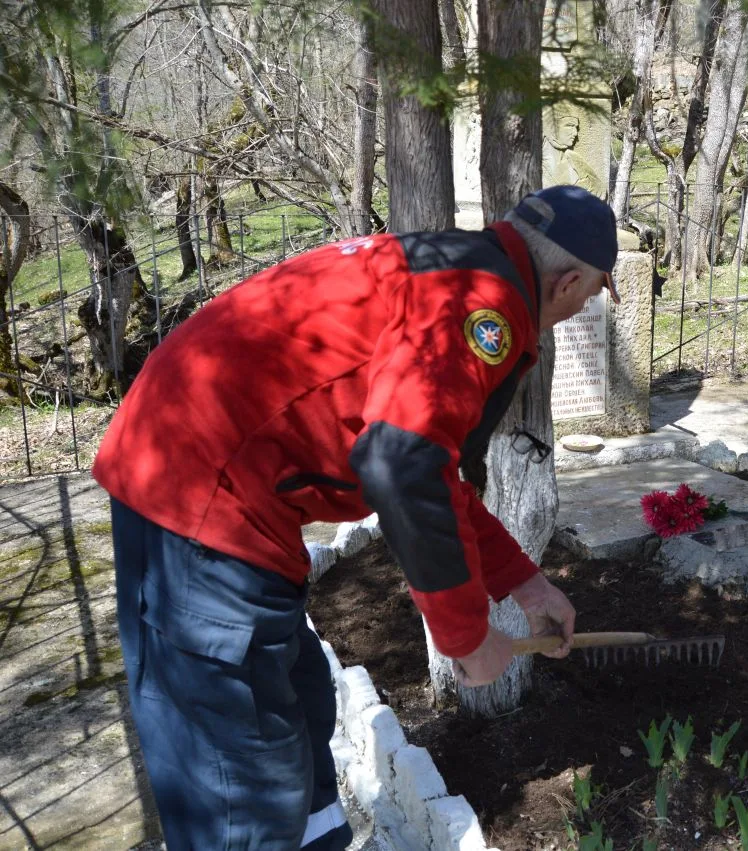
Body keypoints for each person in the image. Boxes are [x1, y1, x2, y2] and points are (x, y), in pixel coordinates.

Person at [93, 185, 621, 849]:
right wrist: (466, 636)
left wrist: (526, 585)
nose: (582, 308)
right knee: (244, 778)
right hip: (196, 497)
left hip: (201, 469)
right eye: (592, 293)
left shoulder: (456, 266)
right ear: (568, 282)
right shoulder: (481, 306)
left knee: (304, 705)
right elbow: (401, 464)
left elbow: (430, 467)